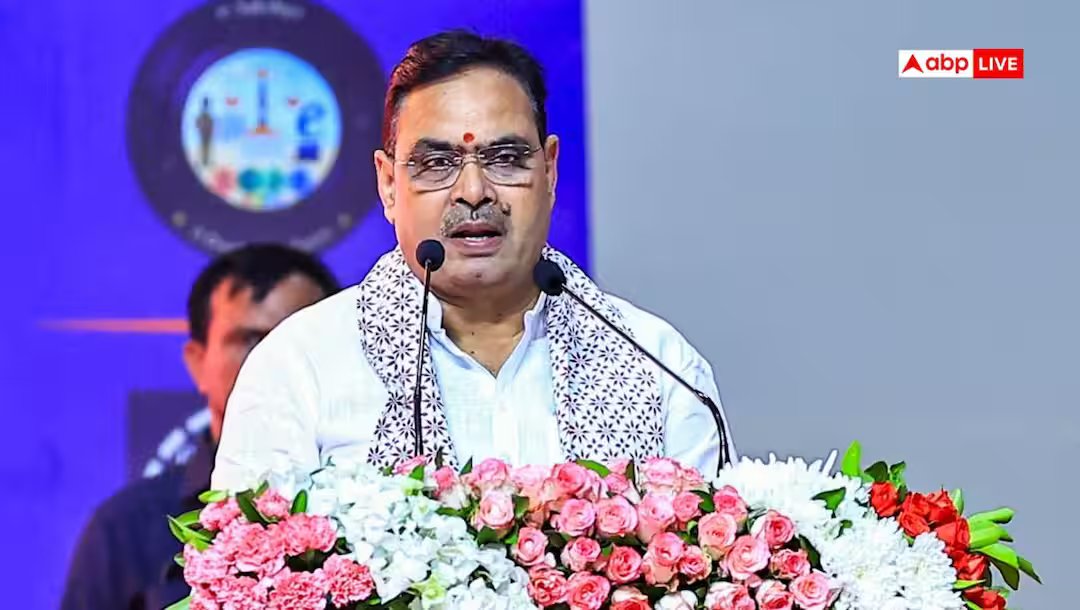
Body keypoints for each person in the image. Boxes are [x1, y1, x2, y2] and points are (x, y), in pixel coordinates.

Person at [211, 30, 737, 492]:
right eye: (437, 163)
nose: (473, 192)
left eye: (505, 159)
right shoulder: (302, 366)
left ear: (550, 172)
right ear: (389, 185)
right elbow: (246, 564)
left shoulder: (659, 364)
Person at [60, 244, 339, 610]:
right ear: (197, 362)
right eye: (250, 340)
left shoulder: (379, 512)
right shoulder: (126, 527)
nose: (273, 363)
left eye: (296, 342)